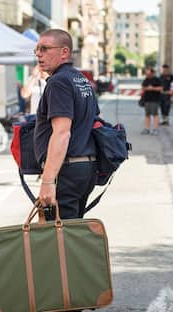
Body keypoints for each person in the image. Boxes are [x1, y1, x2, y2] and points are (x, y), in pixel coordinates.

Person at [33, 29, 99, 221]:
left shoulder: (59, 82)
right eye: (37, 49)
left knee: (59, 238)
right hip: (84, 168)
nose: (39, 53)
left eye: (45, 49)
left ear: (64, 52)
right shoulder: (81, 80)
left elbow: (62, 133)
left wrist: (47, 181)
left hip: (67, 170)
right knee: (70, 232)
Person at [141, 68, 163, 135]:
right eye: (146, 74)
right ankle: (146, 129)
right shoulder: (146, 80)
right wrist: (147, 88)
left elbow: (161, 88)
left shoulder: (157, 80)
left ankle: (155, 129)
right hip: (147, 100)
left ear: (153, 73)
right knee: (147, 114)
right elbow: (142, 87)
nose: (147, 75)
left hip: (155, 100)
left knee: (155, 114)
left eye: (149, 74)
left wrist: (152, 88)